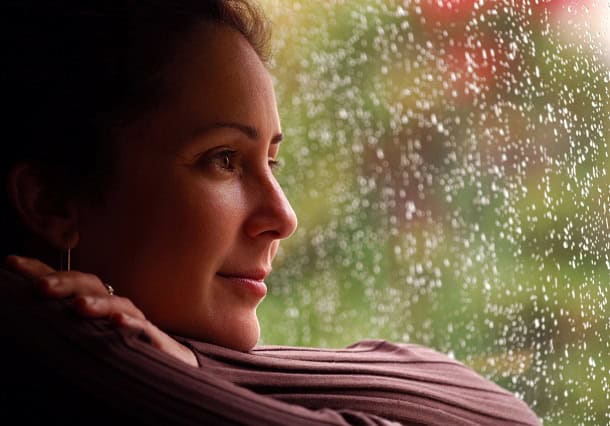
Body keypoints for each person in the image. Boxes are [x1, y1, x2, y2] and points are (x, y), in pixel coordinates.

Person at [0, 1, 540, 424]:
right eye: (224, 159)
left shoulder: (136, 361)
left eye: (271, 162)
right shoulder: (65, 360)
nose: (283, 217)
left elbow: (499, 411)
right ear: (52, 201)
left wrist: (189, 364)